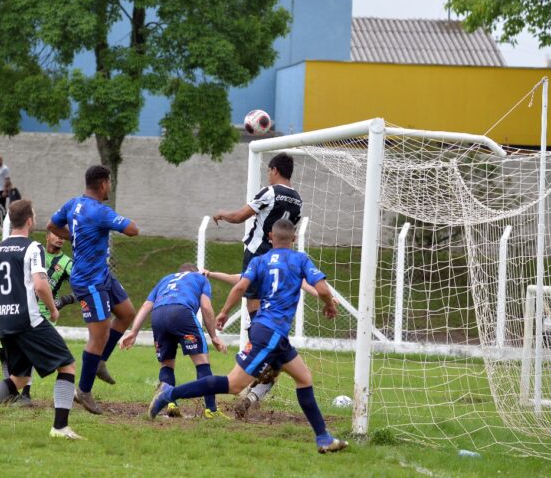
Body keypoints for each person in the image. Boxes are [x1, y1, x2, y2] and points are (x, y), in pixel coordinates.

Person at [148, 219, 347, 454]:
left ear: (271, 237)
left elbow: (240, 287)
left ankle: (323, 438)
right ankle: (169, 394)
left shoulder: (259, 261)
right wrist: (329, 306)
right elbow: (322, 289)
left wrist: (223, 312)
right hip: (270, 334)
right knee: (233, 384)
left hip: (270, 333)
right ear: (293, 239)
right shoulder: (300, 259)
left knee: (304, 377)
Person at [0, 199, 83, 440]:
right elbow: (40, 285)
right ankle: (60, 428)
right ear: (29, 221)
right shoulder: (33, 248)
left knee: (19, 378)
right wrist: (52, 309)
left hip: (5, 323)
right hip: (29, 320)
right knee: (67, 365)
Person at [212, 152, 302, 413]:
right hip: (280, 258)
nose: (267, 175)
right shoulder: (298, 199)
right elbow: (289, 230)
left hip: (257, 255)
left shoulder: (270, 191)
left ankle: (262, 361)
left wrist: (222, 214)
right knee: (270, 313)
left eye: (268, 171)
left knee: (255, 313)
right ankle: (266, 368)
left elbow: (242, 216)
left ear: (274, 170)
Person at [47, 165, 139, 414]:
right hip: (90, 281)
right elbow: (133, 230)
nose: (111, 186)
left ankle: (98, 363)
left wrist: (75, 237)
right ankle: (83, 391)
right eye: (110, 182)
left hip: (102, 275)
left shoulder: (72, 204)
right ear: (103, 184)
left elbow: (52, 225)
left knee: (127, 313)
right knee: (98, 336)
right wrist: (108, 224)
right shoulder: (100, 211)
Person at [121, 263, 228, 419]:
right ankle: (211, 410)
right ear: (195, 272)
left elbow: (146, 305)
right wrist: (214, 336)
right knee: (202, 362)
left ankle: (171, 403)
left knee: (166, 364)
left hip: (158, 315)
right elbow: (206, 307)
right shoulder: (200, 278)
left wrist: (133, 332)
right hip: (181, 312)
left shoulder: (166, 279)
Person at [0, 230, 75, 407]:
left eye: (63, 235)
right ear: (47, 236)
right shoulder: (33, 251)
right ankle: (11, 392)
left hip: (44, 314)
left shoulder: (67, 263)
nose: (60, 238)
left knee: (28, 352)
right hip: (21, 309)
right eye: (56, 234)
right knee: (5, 352)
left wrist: (63, 300)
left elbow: (82, 286)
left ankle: (25, 395)